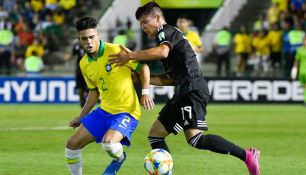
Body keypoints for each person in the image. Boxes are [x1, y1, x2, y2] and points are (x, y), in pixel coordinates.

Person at [109, 2, 260, 175]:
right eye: (140, 23)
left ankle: (248, 155)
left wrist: (130, 55)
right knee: (155, 134)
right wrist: (143, 78)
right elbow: (170, 79)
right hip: (183, 90)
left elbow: (162, 52)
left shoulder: (165, 31)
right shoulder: (169, 38)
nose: (143, 27)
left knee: (195, 139)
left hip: (193, 89)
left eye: (145, 21)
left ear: (158, 18)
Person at [64, 16, 154, 175]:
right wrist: (81, 116)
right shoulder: (84, 63)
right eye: (84, 39)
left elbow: (143, 68)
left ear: (98, 35)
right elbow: (93, 92)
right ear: (79, 39)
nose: (89, 42)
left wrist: (145, 92)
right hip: (104, 111)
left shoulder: (115, 50)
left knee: (109, 144)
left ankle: (119, 159)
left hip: (127, 111)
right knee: (71, 145)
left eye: (92, 37)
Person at [291, 36, 306, 106]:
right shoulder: (299, 50)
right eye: (304, 40)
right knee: (304, 86)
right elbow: (296, 61)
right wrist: (294, 70)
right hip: (302, 71)